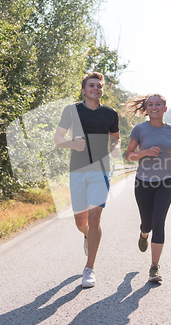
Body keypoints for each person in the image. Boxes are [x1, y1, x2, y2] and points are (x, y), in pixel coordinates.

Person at [54, 72, 120, 288]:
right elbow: (58, 139)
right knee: (80, 222)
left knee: (94, 218)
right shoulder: (71, 110)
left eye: (99, 86)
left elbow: (116, 138)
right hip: (78, 170)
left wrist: (116, 147)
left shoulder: (110, 113)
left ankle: (89, 268)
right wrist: (72, 144)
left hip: (101, 170)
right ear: (84, 90)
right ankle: (88, 237)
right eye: (91, 85)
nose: (96, 88)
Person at [124, 93, 171, 282]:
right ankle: (143, 233)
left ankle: (154, 267)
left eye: (158, 104)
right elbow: (129, 156)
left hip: (166, 181)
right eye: (151, 104)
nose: (154, 107)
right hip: (143, 181)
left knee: (159, 221)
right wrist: (145, 153)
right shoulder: (140, 130)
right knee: (147, 222)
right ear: (147, 109)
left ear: (165, 108)